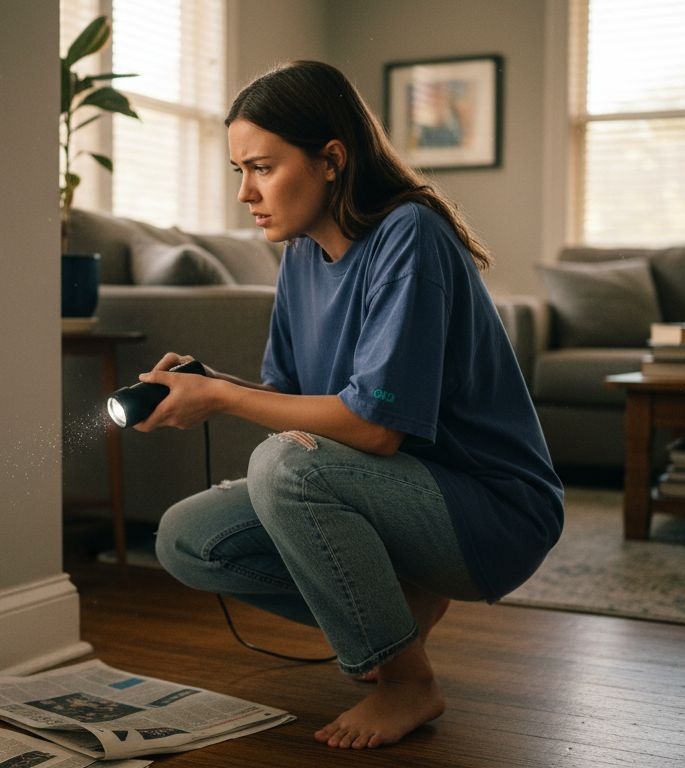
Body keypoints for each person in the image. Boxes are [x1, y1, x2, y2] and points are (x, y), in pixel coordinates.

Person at [135, 60, 563, 750]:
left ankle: (406, 681)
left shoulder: (410, 234)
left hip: (492, 512)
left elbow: (374, 428)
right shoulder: (300, 256)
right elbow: (289, 398)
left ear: (331, 160)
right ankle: (399, 613)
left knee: (285, 467)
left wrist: (224, 397)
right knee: (187, 538)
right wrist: (209, 385)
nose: (244, 192)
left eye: (262, 168)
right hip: (396, 494)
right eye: (239, 170)